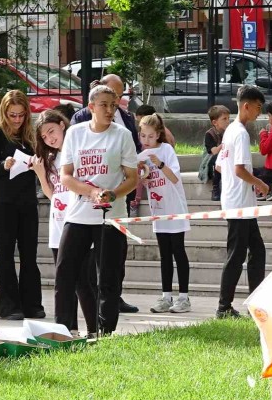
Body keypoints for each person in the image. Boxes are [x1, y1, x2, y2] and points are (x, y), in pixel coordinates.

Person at [56, 85, 138, 335]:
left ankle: (105, 331)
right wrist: (90, 191)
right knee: (65, 272)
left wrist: (112, 193)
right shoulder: (75, 133)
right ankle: (65, 330)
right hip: (79, 214)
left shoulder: (122, 135)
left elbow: (133, 178)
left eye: (113, 105)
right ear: (91, 107)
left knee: (109, 278)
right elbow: (66, 176)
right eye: (104, 105)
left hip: (110, 217)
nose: (110, 110)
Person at [31, 109, 98, 337]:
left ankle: (94, 330)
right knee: (65, 282)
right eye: (44, 136)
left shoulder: (77, 153)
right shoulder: (51, 159)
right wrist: (40, 173)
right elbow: (54, 196)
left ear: (62, 124)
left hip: (79, 224)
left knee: (82, 282)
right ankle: (71, 330)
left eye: (51, 131)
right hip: (58, 226)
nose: (50, 138)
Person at [0, 90, 44, 320]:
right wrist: (5, 164)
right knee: (6, 253)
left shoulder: (30, 133)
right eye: (12, 115)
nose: (17, 120)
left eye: (21, 115)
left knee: (29, 252)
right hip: (3, 201)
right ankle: (10, 306)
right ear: (5, 113)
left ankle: (32, 304)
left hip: (27, 199)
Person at [215, 85, 270, 318]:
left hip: (240, 202)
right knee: (237, 255)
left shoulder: (230, 131)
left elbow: (220, 165)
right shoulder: (240, 133)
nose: (259, 113)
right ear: (246, 106)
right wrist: (259, 183)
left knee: (257, 251)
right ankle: (223, 306)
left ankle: (254, 302)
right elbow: (238, 169)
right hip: (239, 204)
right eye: (258, 108)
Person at [137, 113, 191, 314]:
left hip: (174, 209)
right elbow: (145, 179)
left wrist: (159, 163)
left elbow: (174, 177)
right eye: (143, 136)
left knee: (178, 251)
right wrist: (143, 175)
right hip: (158, 211)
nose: (146, 140)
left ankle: (184, 297)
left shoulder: (166, 150)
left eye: (150, 136)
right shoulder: (142, 155)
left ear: (158, 134)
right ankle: (166, 296)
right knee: (164, 255)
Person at [204, 105, 230, 201]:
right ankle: (215, 188)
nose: (228, 121)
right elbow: (213, 151)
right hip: (211, 162)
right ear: (215, 122)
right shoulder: (209, 134)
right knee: (217, 160)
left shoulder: (228, 131)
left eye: (228, 118)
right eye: (224, 119)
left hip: (225, 159)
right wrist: (224, 144)